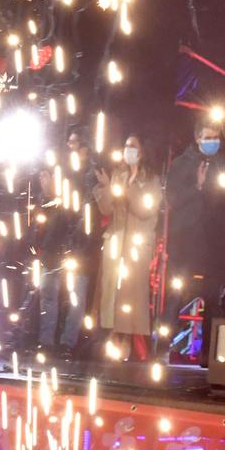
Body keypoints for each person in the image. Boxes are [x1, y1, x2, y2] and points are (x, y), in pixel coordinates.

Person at [164, 119, 225, 324]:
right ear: (198, 138)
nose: (213, 142)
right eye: (208, 138)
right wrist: (197, 187)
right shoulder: (181, 163)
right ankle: (169, 345)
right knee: (178, 296)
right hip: (185, 244)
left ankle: (208, 351)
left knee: (213, 301)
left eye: (216, 138)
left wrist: (224, 192)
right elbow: (173, 198)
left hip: (215, 245)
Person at [93, 134, 161, 362]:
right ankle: (112, 343)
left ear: (141, 152)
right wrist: (106, 187)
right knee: (112, 293)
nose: (128, 150)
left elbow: (145, 209)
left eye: (133, 146)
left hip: (137, 246)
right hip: (116, 243)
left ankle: (136, 348)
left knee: (133, 297)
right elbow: (106, 210)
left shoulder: (150, 179)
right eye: (126, 145)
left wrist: (130, 188)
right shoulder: (117, 175)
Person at [31, 125, 95, 356]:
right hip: (54, 243)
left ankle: (68, 343)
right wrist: (47, 193)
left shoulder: (92, 175)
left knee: (76, 296)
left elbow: (89, 213)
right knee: (48, 293)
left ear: (86, 148)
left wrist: (79, 235)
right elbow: (47, 208)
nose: (70, 147)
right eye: (68, 143)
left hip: (79, 245)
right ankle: (46, 341)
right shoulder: (61, 172)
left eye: (75, 143)